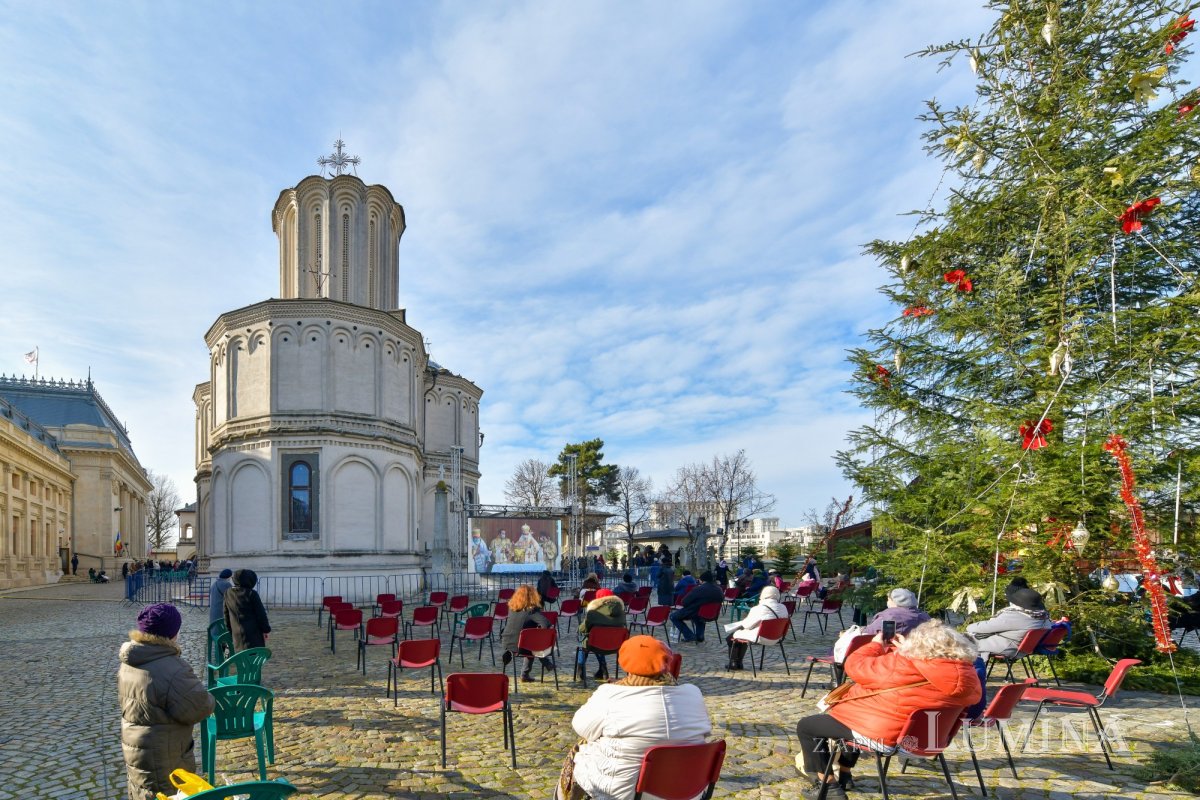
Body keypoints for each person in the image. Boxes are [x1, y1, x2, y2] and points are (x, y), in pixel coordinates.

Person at [794, 620, 982, 799]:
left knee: (807, 726)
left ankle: (828, 786)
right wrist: (906, 651)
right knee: (854, 718)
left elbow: (855, 666)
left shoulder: (902, 664)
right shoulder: (967, 674)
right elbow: (929, 669)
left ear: (922, 645)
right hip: (929, 741)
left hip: (887, 737)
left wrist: (875, 645)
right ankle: (845, 775)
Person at [557, 635, 712, 800]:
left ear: (625, 663)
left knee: (579, 749)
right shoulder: (693, 693)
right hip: (688, 790)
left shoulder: (611, 694)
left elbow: (581, 726)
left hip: (625, 792)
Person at [118, 603, 215, 800]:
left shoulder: (129, 661)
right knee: (166, 793)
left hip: (135, 748)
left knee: (142, 791)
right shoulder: (173, 668)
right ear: (172, 633)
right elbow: (198, 707)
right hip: (165, 753)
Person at [966, 587, 1051, 660]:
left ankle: (967, 672)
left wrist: (970, 626)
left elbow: (978, 628)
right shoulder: (1043, 617)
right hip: (1021, 649)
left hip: (1006, 648)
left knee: (961, 641)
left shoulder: (1015, 616)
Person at [724, 585, 789, 669]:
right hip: (777, 637)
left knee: (732, 637)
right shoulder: (783, 607)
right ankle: (738, 662)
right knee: (741, 635)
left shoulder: (758, 608)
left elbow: (747, 625)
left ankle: (734, 663)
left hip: (761, 636)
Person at [501, 585, 555, 682]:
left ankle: (525, 674)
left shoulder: (512, 609)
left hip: (508, 643)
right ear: (533, 596)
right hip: (522, 646)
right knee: (534, 644)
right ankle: (546, 663)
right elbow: (545, 624)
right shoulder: (531, 610)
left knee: (530, 643)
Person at [576, 588, 626, 681]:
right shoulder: (622, 613)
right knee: (599, 639)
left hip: (596, 644)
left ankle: (581, 670)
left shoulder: (593, 613)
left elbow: (582, 629)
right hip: (617, 645)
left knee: (588, 642)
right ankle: (603, 671)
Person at [223, 568, 271, 651]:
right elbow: (261, 614)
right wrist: (266, 629)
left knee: (241, 659)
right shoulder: (252, 594)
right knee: (254, 659)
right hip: (253, 635)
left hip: (236, 634)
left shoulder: (228, 593)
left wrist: (230, 631)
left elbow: (226, 615)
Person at [670, 570, 724, 643]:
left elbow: (684, 602)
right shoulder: (719, 589)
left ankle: (689, 636)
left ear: (702, 580)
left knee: (673, 616)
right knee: (699, 616)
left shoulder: (700, 589)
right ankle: (699, 636)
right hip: (712, 613)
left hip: (696, 612)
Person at [860, 588, 930, 637]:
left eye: (888, 600)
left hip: (889, 651)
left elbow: (869, 632)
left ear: (896, 602)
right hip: (917, 651)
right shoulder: (925, 617)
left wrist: (860, 629)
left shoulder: (889, 616)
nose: (887, 602)